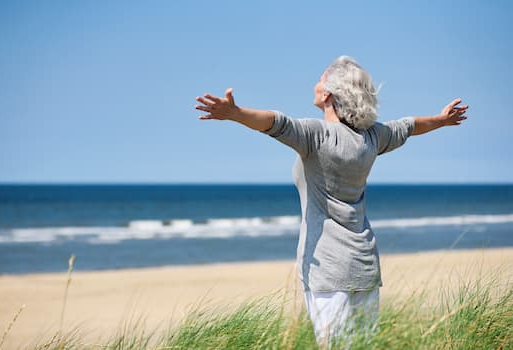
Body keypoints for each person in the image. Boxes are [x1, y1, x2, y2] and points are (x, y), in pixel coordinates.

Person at [195, 56, 468, 348]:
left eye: (320, 78)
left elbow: (276, 122)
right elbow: (409, 126)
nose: (315, 83)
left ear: (328, 94)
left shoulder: (317, 136)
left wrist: (236, 113)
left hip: (328, 270)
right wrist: (443, 120)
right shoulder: (372, 138)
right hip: (364, 266)